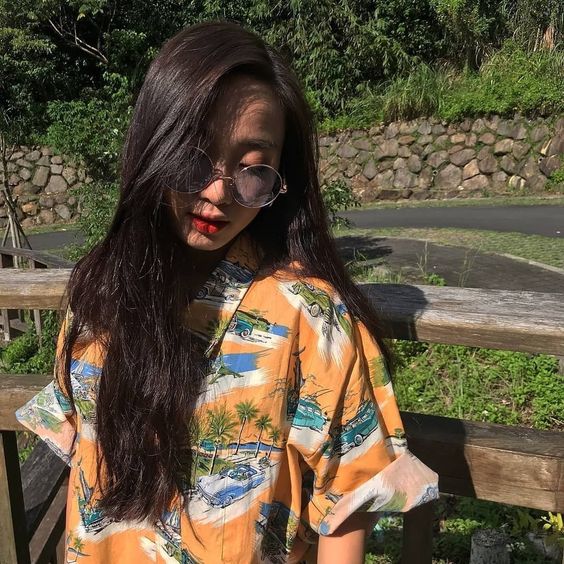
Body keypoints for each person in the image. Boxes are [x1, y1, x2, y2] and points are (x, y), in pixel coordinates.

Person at [16, 20, 438, 563]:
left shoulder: (308, 315)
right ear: (154, 144)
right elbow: (80, 450)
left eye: (252, 168)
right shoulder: (100, 291)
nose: (217, 192)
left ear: (280, 177)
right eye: (194, 153)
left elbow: (348, 501)